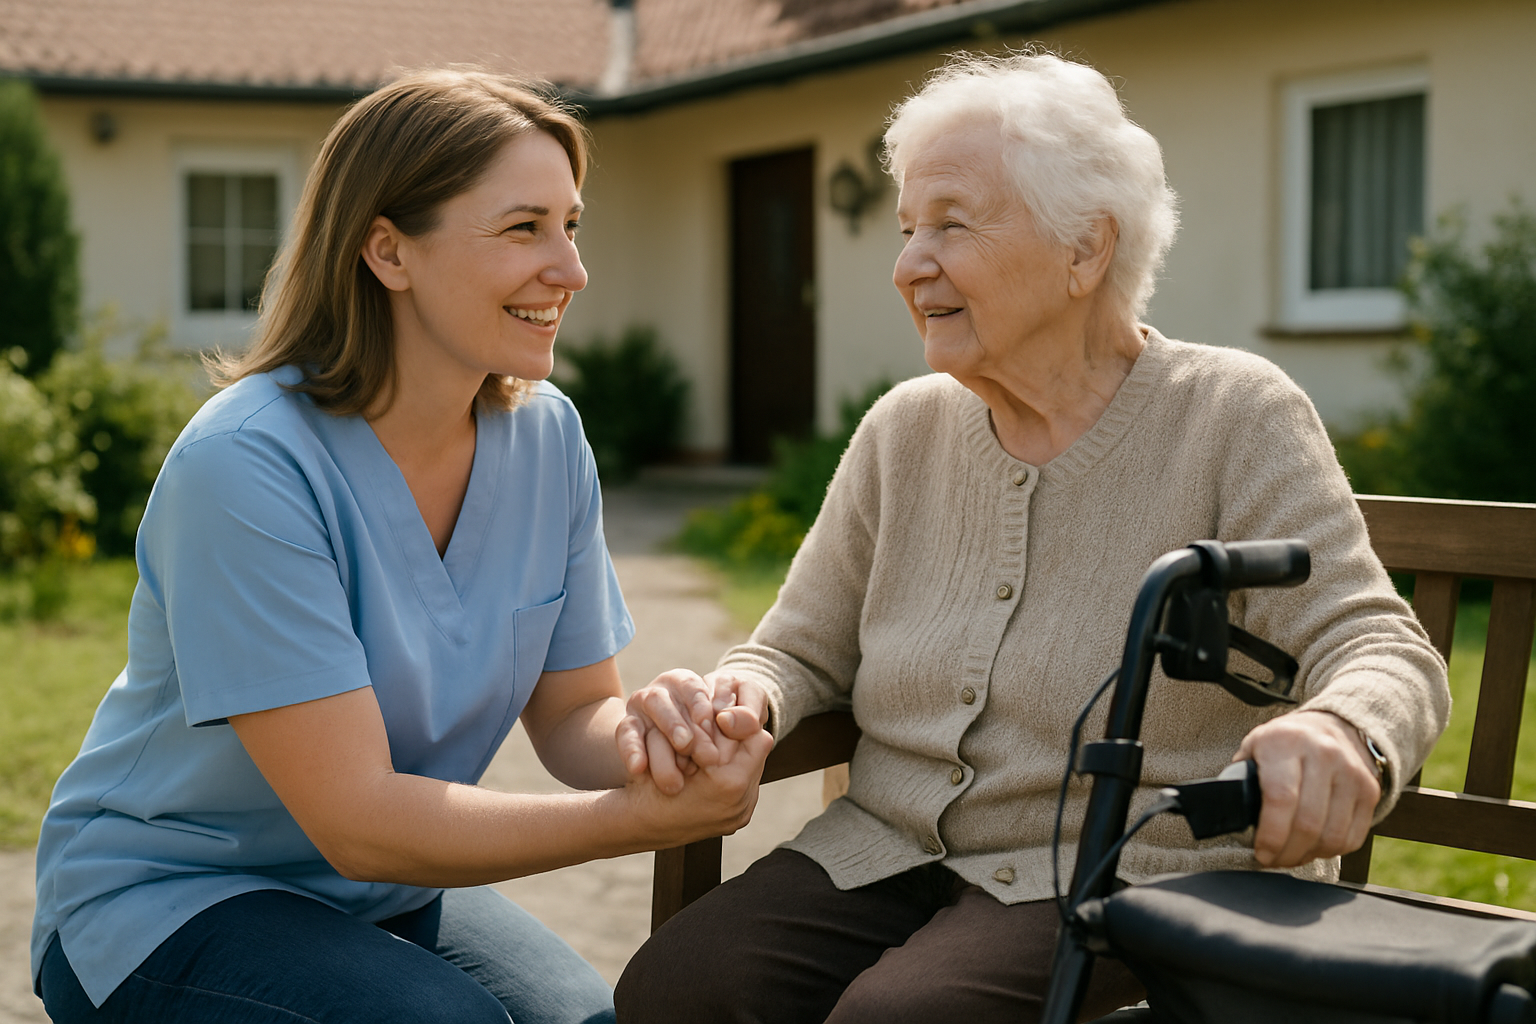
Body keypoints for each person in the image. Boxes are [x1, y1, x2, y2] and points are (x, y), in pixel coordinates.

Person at [613, 51, 1450, 1023]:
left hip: (1126, 871)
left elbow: (1379, 645)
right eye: (908, 228)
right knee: (675, 990)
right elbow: (796, 646)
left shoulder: (1231, 415)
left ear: (1085, 250)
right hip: (886, 847)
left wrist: (1344, 729)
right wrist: (741, 696)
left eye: (951, 225)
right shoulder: (905, 429)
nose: (907, 264)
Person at [31, 68, 770, 1024]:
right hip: (167, 900)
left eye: (571, 225)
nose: (572, 270)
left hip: (378, 888)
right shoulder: (247, 465)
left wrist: (662, 738)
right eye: (522, 228)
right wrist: (631, 823)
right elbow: (360, 824)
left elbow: (576, 711)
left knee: (583, 1019)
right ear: (387, 250)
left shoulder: (547, 438)